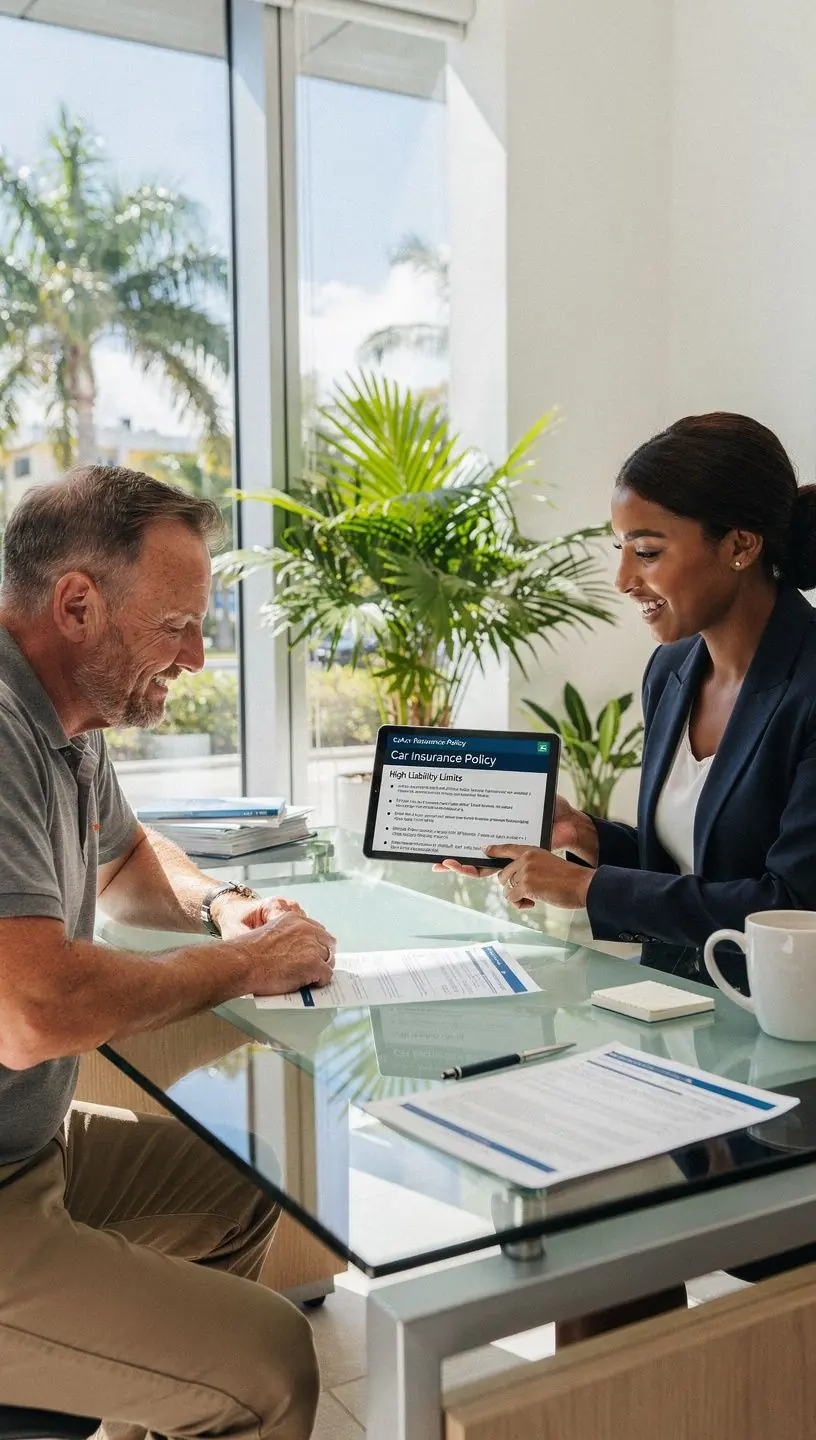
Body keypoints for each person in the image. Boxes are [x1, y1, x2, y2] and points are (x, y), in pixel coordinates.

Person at [0, 466, 338, 1439]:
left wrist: (228, 910)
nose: (196, 657)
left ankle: (148, 1397)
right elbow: (33, 1013)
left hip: (27, 1154)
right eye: (177, 625)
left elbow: (132, 862)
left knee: (241, 1188)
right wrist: (245, 968)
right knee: (270, 1367)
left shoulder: (67, 724)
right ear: (76, 604)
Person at [441, 412, 816, 991]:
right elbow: (696, 864)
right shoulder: (671, 671)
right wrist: (582, 834)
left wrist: (587, 889)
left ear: (740, 544)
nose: (621, 580)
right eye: (621, 549)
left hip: (782, 1025)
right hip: (674, 1004)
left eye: (645, 552)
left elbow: (789, 907)